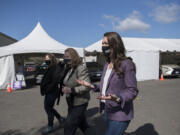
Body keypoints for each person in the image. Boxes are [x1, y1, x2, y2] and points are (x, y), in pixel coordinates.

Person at [77, 32, 138, 135]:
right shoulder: (107, 64)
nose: (103, 46)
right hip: (107, 110)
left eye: (106, 43)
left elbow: (132, 90)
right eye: (103, 43)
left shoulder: (126, 64)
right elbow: (105, 85)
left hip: (120, 113)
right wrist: (92, 86)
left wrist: (119, 98)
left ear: (115, 45)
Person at [62, 48, 91, 135]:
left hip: (80, 103)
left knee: (69, 126)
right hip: (71, 102)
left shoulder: (80, 68)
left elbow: (87, 86)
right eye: (64, 57)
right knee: (83, 125)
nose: (65, 58)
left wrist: (71, 90)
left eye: (68, 57)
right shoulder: (70, 68)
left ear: (74, 57)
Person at [40, 53, 65, 134]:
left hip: (52, 92)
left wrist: (47, 89)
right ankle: (60, 118)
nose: (46, 60)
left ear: (51, 59)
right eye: (45, 59)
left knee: (48, 109)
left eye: (47, 59)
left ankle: (50, 126)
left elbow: (54, 81)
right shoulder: (50, 67)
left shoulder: (54, 68)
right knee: (49, 107)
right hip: (50, 92)